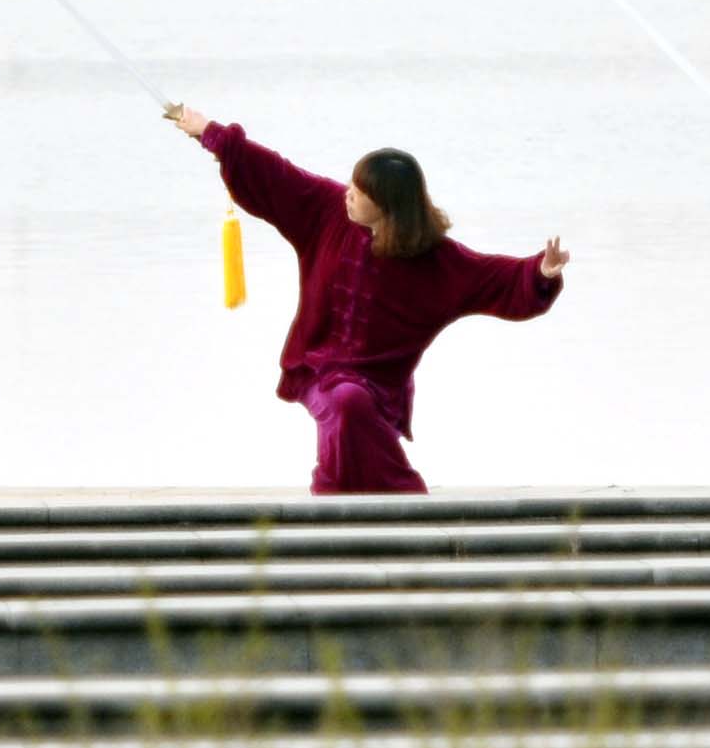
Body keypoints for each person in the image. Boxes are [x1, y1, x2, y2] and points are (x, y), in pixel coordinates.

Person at [163, 105, 565, 495]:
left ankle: (337, 498)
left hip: (381, 385)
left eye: (362, 191)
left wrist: (541, 273)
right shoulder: (327, 211)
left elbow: (497, 278)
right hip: (318, 365)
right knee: (344, 400)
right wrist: (209, 133)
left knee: (353, 402)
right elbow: (275, 174)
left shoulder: (435, 260)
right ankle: (400, 497)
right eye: (353, 184)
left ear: (389, 205)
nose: (350, 194)